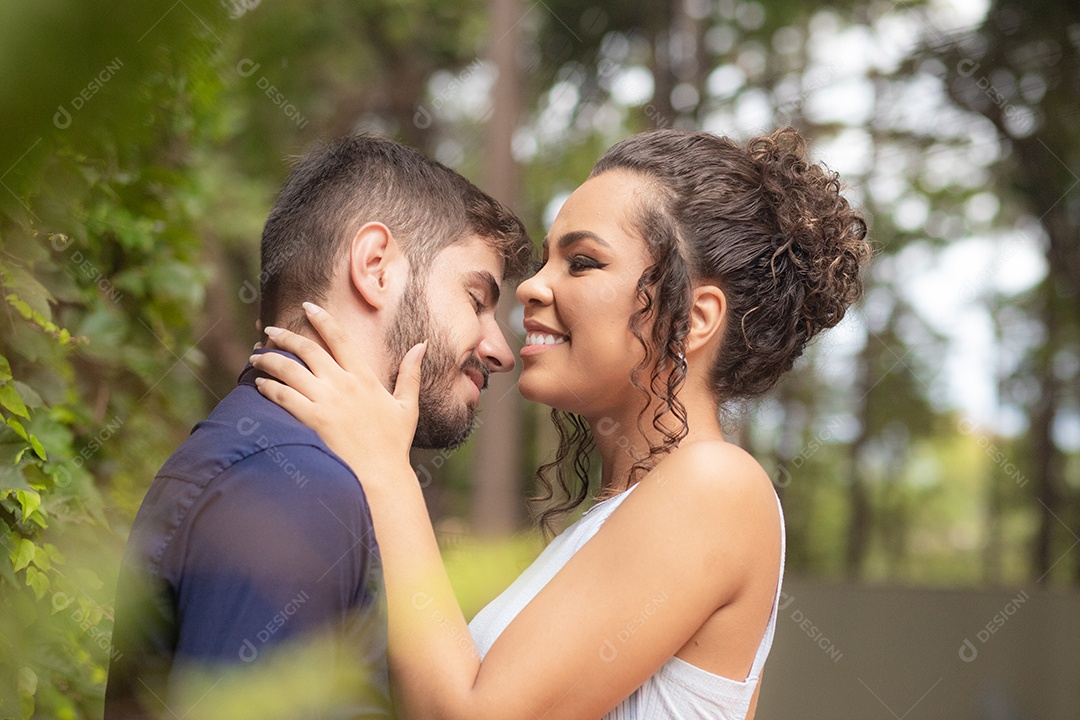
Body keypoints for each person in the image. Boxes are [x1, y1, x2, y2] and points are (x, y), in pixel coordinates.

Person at [250, 127, 871, 720]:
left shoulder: (716, 486)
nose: (530, 288)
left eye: (581, 263)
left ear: (696, 318)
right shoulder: (632, 511)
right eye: (546, 259)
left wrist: (384, 467)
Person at [104, 134, 533, 719]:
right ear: (375, 267)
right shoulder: (294, 484)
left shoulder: (276, 457)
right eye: (477, 298)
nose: (500, 349)